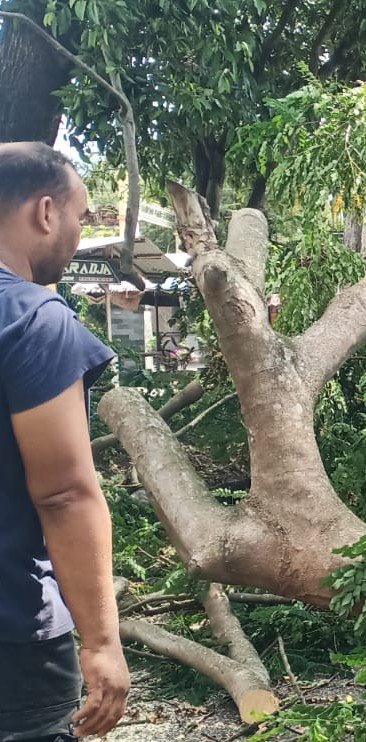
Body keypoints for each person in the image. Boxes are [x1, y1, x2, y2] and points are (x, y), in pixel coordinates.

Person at [0, 142, 129, 741]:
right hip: (12, 637)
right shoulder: (32, 319)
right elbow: (64, 495)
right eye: (79, 216)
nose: (79, 233)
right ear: (44, 212)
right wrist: (102, 643)